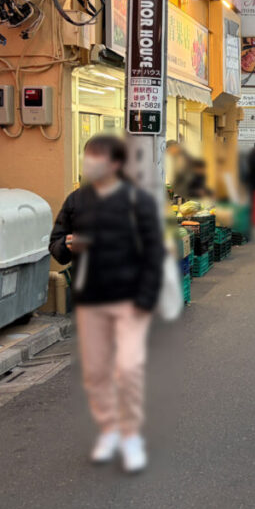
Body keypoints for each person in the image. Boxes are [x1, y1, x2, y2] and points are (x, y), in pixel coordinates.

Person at [49, 135, 163, 473]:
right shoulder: (75, 201)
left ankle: (130, 438)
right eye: (87, 158)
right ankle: (109, 430)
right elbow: (55, 242)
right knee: (97, 371)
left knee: (127, 369)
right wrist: (65, 246)